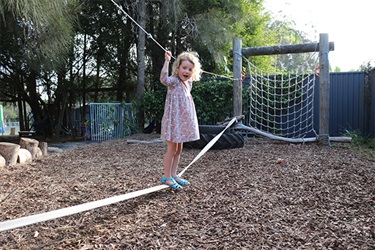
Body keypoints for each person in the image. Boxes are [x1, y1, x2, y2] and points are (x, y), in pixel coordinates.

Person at [160, 50, 202, 190]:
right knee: (171, 149)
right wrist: (167, 61)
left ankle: (173, 174)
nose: (187, 71)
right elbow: (163, 79)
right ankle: (167, 177)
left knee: (179, 149)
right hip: (173, 122)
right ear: (177, 68)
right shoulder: (174, 81)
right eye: (184, 68)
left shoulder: (188, 84)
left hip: (181, 123)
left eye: (190, 69)